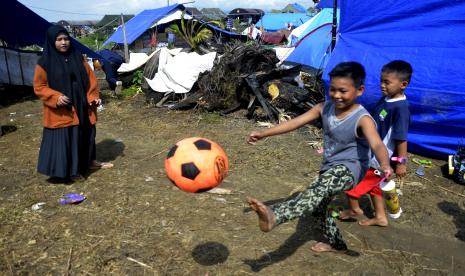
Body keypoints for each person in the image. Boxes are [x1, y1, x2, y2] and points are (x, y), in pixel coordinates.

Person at [247, 62, 392, 253]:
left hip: (350, 169)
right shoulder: (323, 108)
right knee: (318, 209)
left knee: (316, 192)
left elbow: (377, 144)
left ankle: (276, 215)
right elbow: (295, 123)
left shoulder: (362, 119)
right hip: (330, 167)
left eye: (343, 91)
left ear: (359, 90)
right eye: (333, 90)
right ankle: (336, 244)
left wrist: (384, 164)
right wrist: (264, 133)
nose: (337, 95)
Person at [33, 25, 112, 182]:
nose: (63, 42)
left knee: (88, 133)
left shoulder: (78, 56)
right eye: (59, 39)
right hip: (63, 108)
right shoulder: (45, 62)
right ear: (51, 41)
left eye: (66, 39)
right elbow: (39, 86)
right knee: (71, 137)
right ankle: (73, 170)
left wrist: (92, 97)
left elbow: (91, 79)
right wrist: (55, 97)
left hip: (82, 103)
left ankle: (89, 161)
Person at [339, 60, 413, 226]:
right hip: (370, 151)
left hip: (378, 160)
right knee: (375, 188)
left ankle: (353, 209)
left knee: (352, 184)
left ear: (403, 84)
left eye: (387, 82)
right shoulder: (386, 99)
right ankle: (380, 217)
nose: (382, 85)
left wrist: (401, 163)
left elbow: (401, 138)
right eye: (381, 81)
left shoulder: (401, 109)